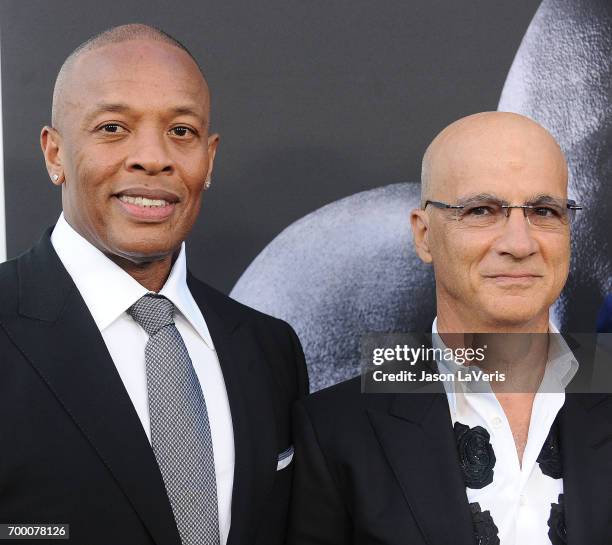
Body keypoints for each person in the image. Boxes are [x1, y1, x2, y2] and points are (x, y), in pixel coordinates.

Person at [0, 24, 308, 545]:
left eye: (181, 131)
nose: (153, 156)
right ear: (55, 154)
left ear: (209, 160)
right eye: (114, 128)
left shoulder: (268, 348)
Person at [287, 112, 612, 544]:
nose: (519, 243)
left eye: (543, 211)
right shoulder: (336, 431)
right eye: (481, 210)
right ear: (424, 235)